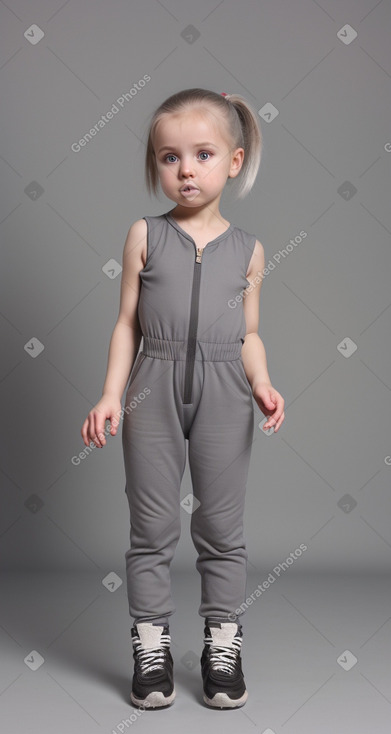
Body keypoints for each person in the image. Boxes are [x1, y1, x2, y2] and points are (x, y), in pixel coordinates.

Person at [81, 87, 285, 710]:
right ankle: (152, 648)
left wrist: (262, 382)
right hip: (152, 388)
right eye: (169, 157)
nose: (185, 169)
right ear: (156, 165)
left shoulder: (250, 250)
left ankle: (221, 646)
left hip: (226, 390)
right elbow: (126, 325)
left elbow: (249, 331)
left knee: (222, 529)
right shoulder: (144, 235)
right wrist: (112, 394)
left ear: (235, 160)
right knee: (153, 530)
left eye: (202, 154)